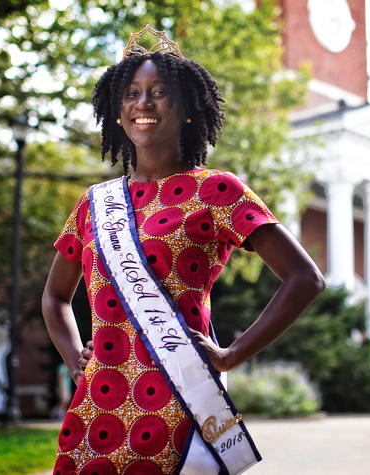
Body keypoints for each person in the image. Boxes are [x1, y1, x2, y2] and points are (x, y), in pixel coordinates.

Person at [41, 25, 325, 474]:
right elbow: (55, 297)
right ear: (117, 112)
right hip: (99, 406)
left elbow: (305, 278)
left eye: (159, 92)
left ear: (187, 109)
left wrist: (233, 354)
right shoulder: (93, 204)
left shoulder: (217, 190)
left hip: (181, 403)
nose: (143, 103)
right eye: (132, 93)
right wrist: (75, 359)